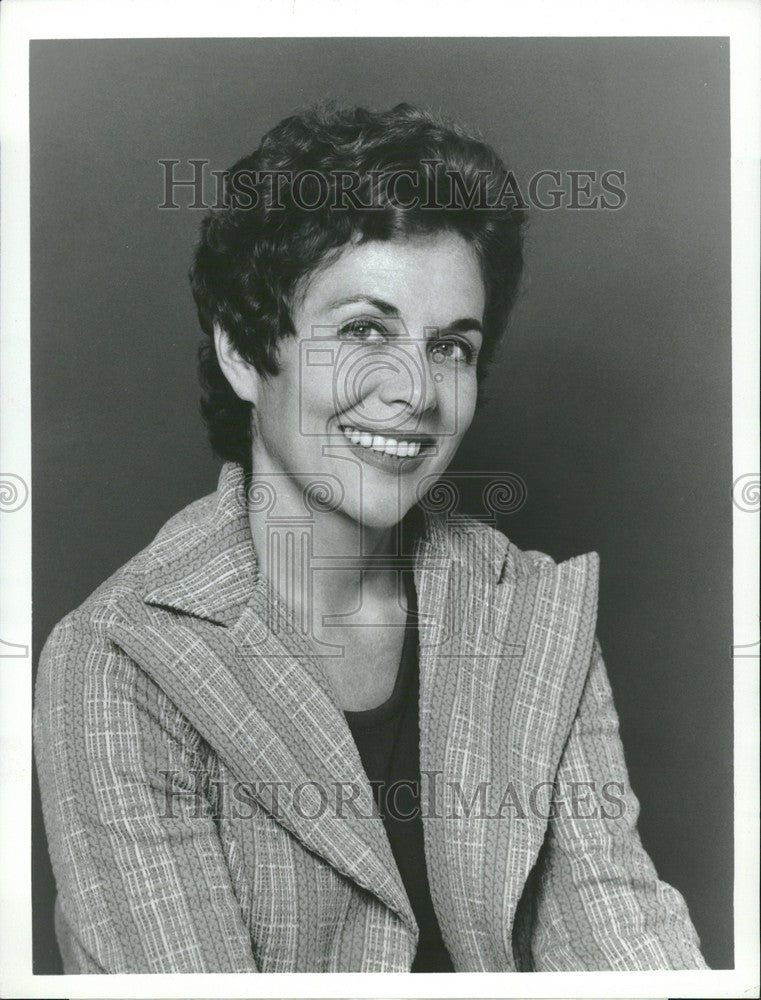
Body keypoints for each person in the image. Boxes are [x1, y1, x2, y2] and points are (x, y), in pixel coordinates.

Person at [33, 103, 708, 973]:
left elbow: (621, 942)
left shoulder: (532, 612)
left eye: (452, 347)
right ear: (243, 349)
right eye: (363, 331)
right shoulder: (122, 657)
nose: (415, 392)